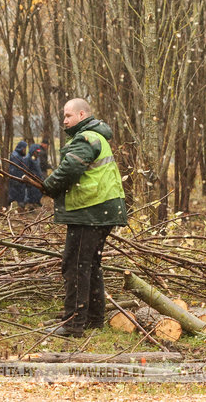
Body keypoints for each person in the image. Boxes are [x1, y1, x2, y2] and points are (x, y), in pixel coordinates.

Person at [41, 98, 128, 337]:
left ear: (81, 115)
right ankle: (93, 319)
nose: (65, 120)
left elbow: (71, 168)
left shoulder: (86, 138)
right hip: (104, 210)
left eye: (68, 116)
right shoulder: (96, 136)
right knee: (90, 264)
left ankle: (73, 325)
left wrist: (48, 186)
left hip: (91, 210)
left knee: (75, 265)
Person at [7, 141, 29, 210]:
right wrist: (16, 179)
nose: (25, 150)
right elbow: (13, 169)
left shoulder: (20, 155)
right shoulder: (15, 156)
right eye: (24, 149)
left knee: (20, 195)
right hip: (16, 180)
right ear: (21, 148)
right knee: (14, 195)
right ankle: (7, 207)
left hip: (21, 180)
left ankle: (20, 208)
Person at [23, 143, 45, 210]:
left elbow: (38, 168)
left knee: (38, 191)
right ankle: (30, 206)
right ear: (33, 151)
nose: (37, 153)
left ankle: (37, 202)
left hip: (38, 178)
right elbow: (26, 169)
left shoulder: (37, 158)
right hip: (31, 179)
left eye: (38, 152)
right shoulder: (27, 158)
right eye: (36, 152)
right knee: (30, 193)